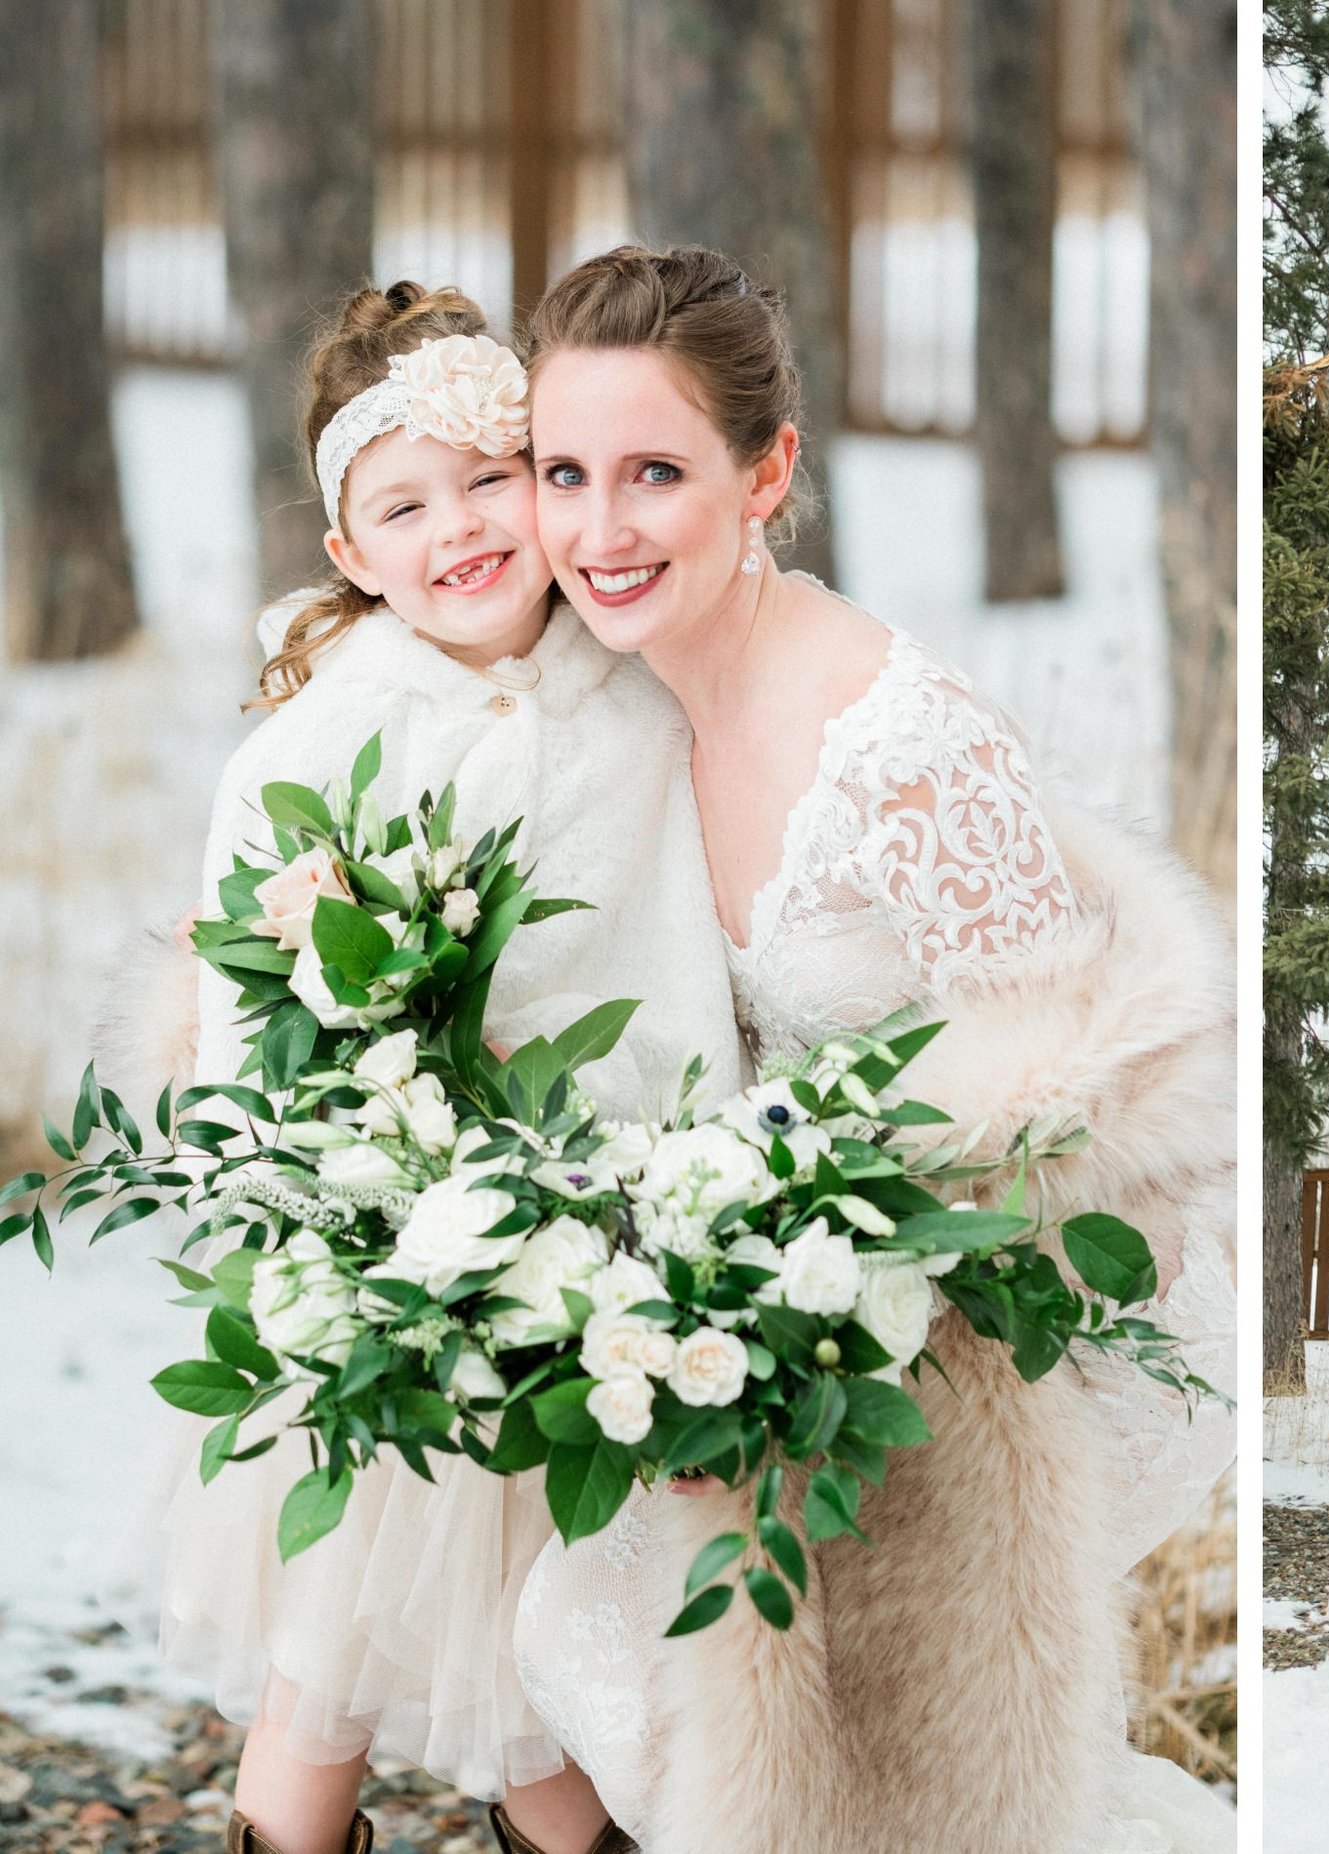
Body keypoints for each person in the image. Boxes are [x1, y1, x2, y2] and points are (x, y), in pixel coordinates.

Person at [508, 246, 1235, 1854]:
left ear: (765, 473)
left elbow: (1085, 1118)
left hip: (1033, 1317)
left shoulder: (905, 749)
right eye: (566, 473)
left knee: (711, 1672)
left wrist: (817, 1330)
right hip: (779, 1279)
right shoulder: (621, 698)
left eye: (655, 474)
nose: (600, 531)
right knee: (573, 1634)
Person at [162, 282, 741, 1854]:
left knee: (552, 1673)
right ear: (349, 555)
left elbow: (689, 948)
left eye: (493, 478)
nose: (462, 528)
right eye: (404, 505)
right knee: (326, 1670)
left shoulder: (639, 686)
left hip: (610, 1254)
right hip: (395, 1273)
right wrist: (301, 1237)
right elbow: (244, 1028)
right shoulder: (311, 752)